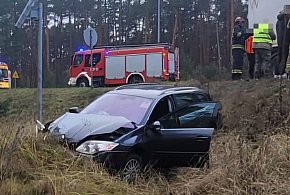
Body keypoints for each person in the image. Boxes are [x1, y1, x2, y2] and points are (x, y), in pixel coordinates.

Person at [276, 11, 290, 77]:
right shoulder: (286, 21)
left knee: (280, 56)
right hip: (285, 42)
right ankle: (282, 72)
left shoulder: (278, 21)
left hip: (280, 42)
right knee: (285, 56)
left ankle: (278, 73)